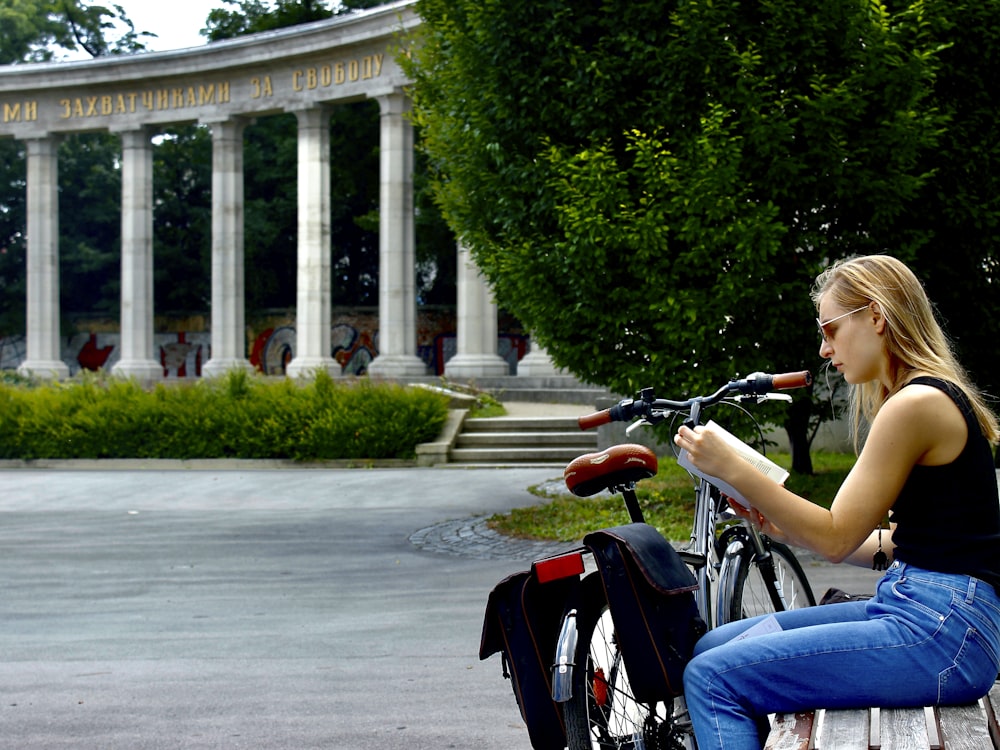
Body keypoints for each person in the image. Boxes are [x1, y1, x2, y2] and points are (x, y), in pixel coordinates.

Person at [674, 254, 1000, 750]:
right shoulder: (921, 399)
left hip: (943, 632)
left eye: (830, 328)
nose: (825, 349)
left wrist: (732, 467)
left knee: (712, 678)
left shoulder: (916, 404)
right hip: (927, 611)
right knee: (717, 647)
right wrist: (783, 529)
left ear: (875, 317)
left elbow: (834, 535)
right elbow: (904, 545)